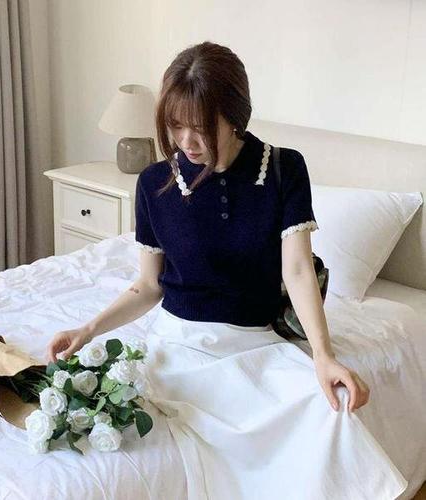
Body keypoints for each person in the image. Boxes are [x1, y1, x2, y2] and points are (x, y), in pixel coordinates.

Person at [46, 42, 408, 500]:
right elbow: (147, 286)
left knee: (330, 412)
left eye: (200, 128)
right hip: (178, 345)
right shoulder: (154, 182)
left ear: (235, 116)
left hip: (256, 344)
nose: (186, 142)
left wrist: (323, 355)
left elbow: (297, 271)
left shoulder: (283, 169)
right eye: (175, 126)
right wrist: (87, 330)